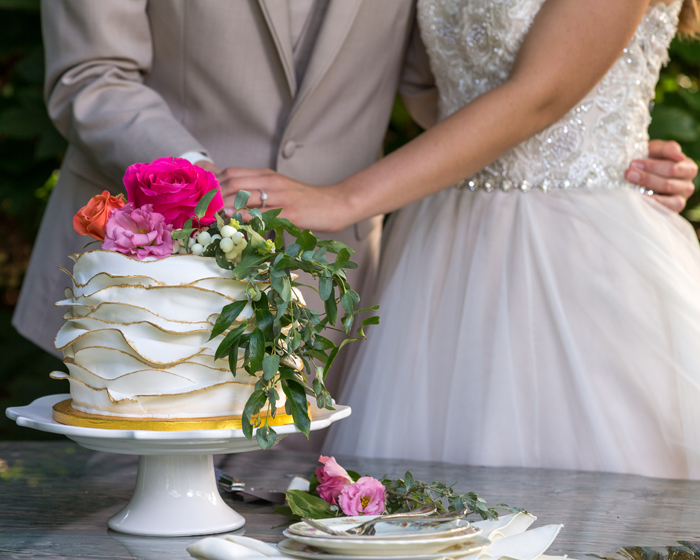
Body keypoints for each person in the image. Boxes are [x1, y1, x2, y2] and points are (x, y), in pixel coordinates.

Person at [14, 0, 694, 450]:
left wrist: (602, 157)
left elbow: (488, 93)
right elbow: (91, 76)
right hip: (148, 300)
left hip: (345, 303)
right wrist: (201, 186)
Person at [229, 0, 700, 479]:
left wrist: (341, 200)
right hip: (443, 250)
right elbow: (439, 91)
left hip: (575, 252)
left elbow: (540, 94)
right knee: (415, 515)